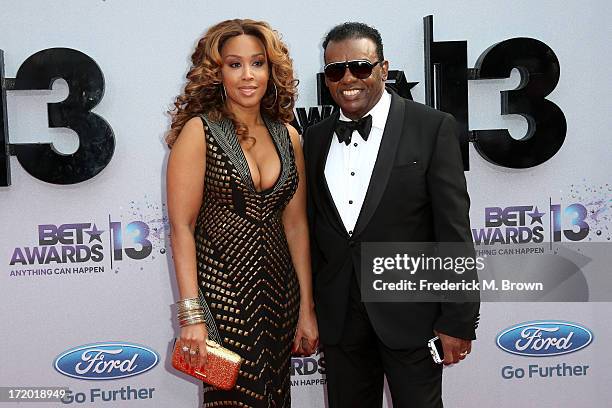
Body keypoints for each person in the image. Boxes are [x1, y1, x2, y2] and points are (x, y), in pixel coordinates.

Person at [302, 22, 480, 407]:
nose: (348, 79)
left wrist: (458, 319)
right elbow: (314, 231)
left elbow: (453, 231)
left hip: (412, 316)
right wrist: (309, 310)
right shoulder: (314, 139)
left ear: (384, 68)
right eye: (335, 70)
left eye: (361, 67)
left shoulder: (432, 127)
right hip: (340, 320)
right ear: (327, 79)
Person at [166, 19, 318, 407]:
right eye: (234, 64)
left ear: (272, 70)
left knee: (275, 394)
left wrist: (306, 307)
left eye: (258, 63)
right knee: (231, 399)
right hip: (221, 296)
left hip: (279, 296)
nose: (248, 75)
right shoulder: (199, 132)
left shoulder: (289, 134)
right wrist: (191, 316)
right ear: (217, 73)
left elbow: (296, 226)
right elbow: (181, 228)